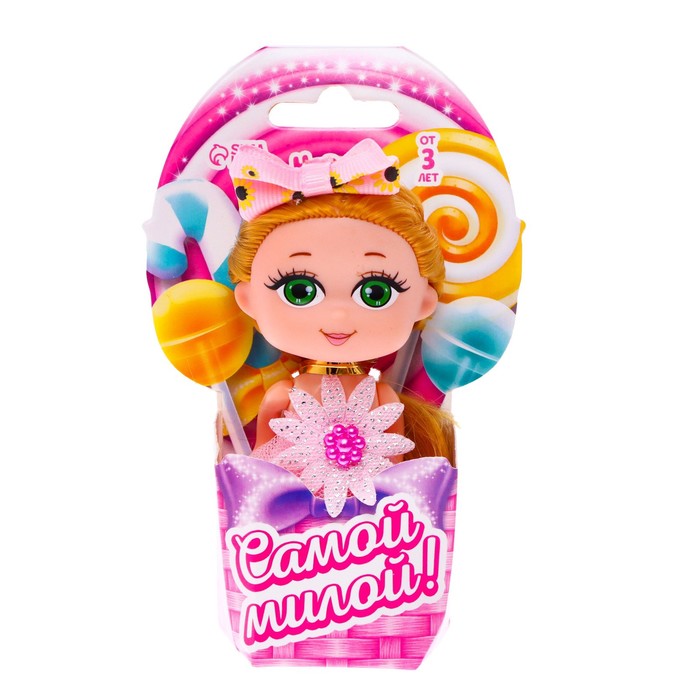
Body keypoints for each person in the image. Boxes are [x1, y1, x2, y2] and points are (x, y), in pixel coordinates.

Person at [228, 140, 454, 516]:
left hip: (374, 521)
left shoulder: (383, 397)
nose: (337, 316)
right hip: (288, 513)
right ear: (248, 299)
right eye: (299, 290)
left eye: (375, 292)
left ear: (424, 302)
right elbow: (260, 463)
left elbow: (395, 468)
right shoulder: (283, 395)